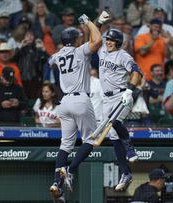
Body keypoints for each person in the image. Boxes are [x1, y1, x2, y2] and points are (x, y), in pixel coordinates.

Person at [48, 14, 102, 202]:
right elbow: (97, 40)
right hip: (80, 100)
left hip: (64, 103)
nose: (81, 38)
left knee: (65, 145)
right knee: (92, 140)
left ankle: (57, 183)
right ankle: (69, 172)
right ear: (74, 40)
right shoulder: (80, 51)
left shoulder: (57, 55)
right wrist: (89, 22)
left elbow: (50, 61)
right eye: (78, 37)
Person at [97, 12, 142, 191]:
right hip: (106, 98)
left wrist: (130, 90)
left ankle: (130, 148)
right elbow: (93, 34)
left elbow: (137, 72)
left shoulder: (123, 56)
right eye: (107, 39)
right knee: (113, 136)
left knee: (114, 121)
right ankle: (126, 173)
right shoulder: (102, 50)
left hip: (122, 95)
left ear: (118, 42)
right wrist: (99, 22)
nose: (108, 42)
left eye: (111, 40)